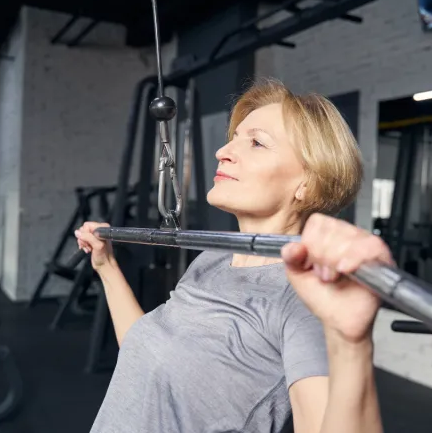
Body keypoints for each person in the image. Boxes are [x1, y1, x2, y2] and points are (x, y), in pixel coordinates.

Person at [75, 78, 394, 433]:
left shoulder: (302, 299)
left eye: (256, 142)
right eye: (235, 137)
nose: (222, 151)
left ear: (307, 183)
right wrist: (106, 266)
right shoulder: (214, 257)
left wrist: (352, 345)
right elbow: (146, 350)